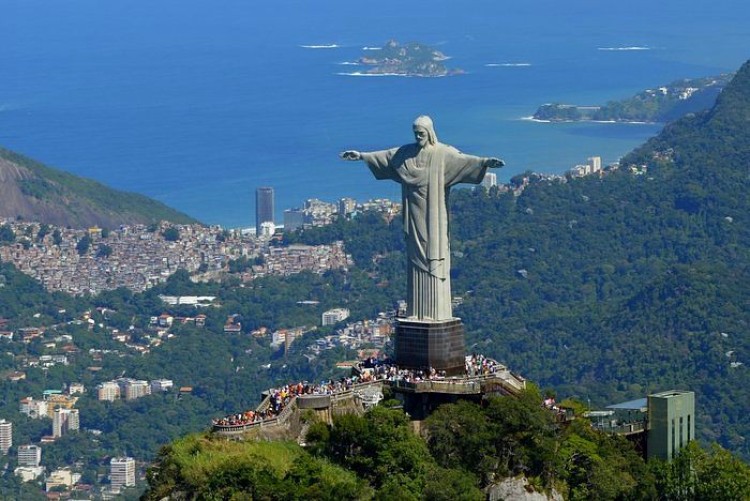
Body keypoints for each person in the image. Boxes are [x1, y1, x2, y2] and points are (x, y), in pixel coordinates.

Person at [341, 115, 503, 321]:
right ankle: (418, 312)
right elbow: (386, 157)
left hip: (434, 216)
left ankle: (436, 313)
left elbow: (464, 160)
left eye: (422, 133)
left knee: (434, 255)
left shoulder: (442, 154)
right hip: (414, 215)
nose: (418, 136)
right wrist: (361, 156)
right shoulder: (406, 154)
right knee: (416, 258)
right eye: (416, 133)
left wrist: (485, 162)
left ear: (430, 133)